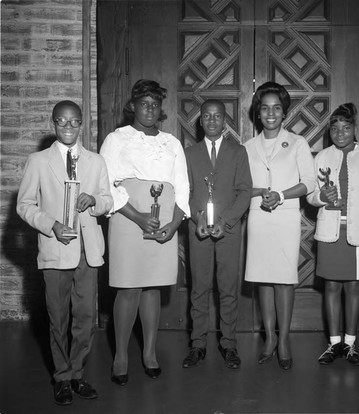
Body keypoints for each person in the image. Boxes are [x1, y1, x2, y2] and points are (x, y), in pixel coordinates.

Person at [17, 100, 113, 405]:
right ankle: (60, 377)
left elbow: (109, 200)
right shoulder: (38, 161)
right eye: (62, 122)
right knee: (58, 317)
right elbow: (24, 205)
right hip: (56, 250)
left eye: (74, 122)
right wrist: (51, 226)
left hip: (88, 251)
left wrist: (94, 199)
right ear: (53, 124)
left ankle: (76, 373)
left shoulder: (96, 161)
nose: (68, 127)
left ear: (82, 124)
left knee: (85, 318)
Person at [100, 79, 190, 385]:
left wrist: (175, 223)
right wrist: (138, 217)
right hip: (128, 219)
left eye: (155, 104)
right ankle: (120, 356)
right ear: (133, 107)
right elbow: (108, 183)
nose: (149, 109)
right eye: (143, 104)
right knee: (128, 287)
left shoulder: (171, 143)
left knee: (153, 287)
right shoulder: (117, 139)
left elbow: (182, 187)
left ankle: (149, 352)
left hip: (164, 220)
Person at [244, 82, 316, 370]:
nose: (270, 113)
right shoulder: (247, 147)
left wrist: (282, 194)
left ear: (284, 112)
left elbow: (309, 183)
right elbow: (240, 186)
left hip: (285, 216)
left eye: (276, 108)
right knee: (263, 278)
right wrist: (260, 192)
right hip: (259, 217)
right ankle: (269, 338)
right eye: (265, 108)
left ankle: (284, 340)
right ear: (257, 113)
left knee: (284, 279)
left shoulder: (298, 143)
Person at [306, 103, 359, 367]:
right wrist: (319, 198)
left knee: (354, 288)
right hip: (330, 232)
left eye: (346, 128)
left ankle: (350, 343)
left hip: (358, 230)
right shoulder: (322, 156)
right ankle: (333, 343)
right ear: (329, 131)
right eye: (335, 129)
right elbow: (311, 195)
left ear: (354, 129)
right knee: (332, 288)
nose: (340, 133)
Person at [182, 99, 252, 369]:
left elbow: (245, 191)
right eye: (207, 116)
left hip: (229, 230)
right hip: (197, 228)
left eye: (218, 116)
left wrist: (227, 220)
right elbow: (184, 192)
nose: (212, 121)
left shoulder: (238, 152)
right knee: (199, 288)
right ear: (200, 121)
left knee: (228, 288)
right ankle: (197, 344)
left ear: (225, 121)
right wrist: (196, 215)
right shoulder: (190, 153)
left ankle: (229, 344)